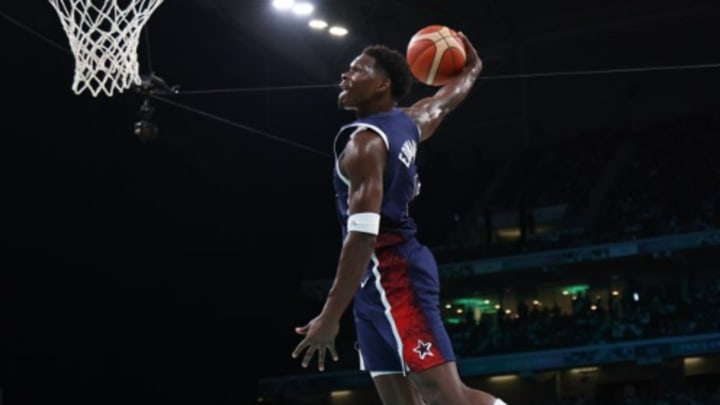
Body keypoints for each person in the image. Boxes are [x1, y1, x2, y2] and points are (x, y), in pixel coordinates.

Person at [292, 31, 507, 405]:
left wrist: (329, 316)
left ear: (382, 85)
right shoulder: (410, 122)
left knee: (448, 400)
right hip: (372, 285)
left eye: (357, 70)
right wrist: (471, 69)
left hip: (394, 275)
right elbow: (445, 101)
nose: (344, 75)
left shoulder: (365, 145)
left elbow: (362, 237)